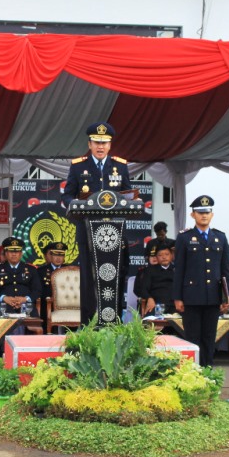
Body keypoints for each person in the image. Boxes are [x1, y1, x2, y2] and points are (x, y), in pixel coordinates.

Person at [62, 121, 131, 323]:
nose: (100, 147)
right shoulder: (78, 167)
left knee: (114, 279)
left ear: (110, 145)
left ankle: (113, 321)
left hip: (114, 235)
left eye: (104, 143)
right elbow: (67, 195)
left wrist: (129, 201)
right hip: (87, 231)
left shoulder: (120, 166)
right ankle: (89, 323)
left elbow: (128, 195)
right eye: (96, 142)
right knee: (88, 280)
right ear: (89, 144)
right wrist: (77, 205)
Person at [172, 195, 229, 367]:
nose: (204, 216)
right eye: (200, 213)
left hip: (213, 297)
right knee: (193, 338)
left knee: (209, 337)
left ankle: (208, 371)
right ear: (193, 215)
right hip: (191, 297)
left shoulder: (220, 238)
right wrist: (178, 297)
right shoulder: (184, 238)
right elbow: (179, 270)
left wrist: (227, 295)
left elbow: (225, 270)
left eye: (207, 212)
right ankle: (193, 373)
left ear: (212, 215)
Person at [0, 237, 41, 316]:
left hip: (26, 305)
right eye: (11, 251)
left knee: (34, 323)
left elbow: (38, 290)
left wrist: (25, 299)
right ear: (6, 253)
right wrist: (4, 298)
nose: (14, 254)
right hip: (4, 305)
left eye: (17, 251)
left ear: (21, 253)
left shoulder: (31, 269)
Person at [141, 238, 176, 316]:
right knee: (155, 323)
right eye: (160, 255)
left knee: (180, 324)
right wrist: (149, 298)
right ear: (156, 258)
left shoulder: (177, 270)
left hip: (175, 305)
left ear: (171, 256)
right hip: (158, 305)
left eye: (166, 254)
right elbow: (144, 289)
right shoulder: (150, 270)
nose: (164, 257)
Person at [36, 241, 67, 323]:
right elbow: (39, 290)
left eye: (61, 255)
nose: (58, 258)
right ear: (51, 255)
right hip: (48, 304)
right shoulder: (41, 271)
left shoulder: (69, 270)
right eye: (55, 255)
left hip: (67, 304)